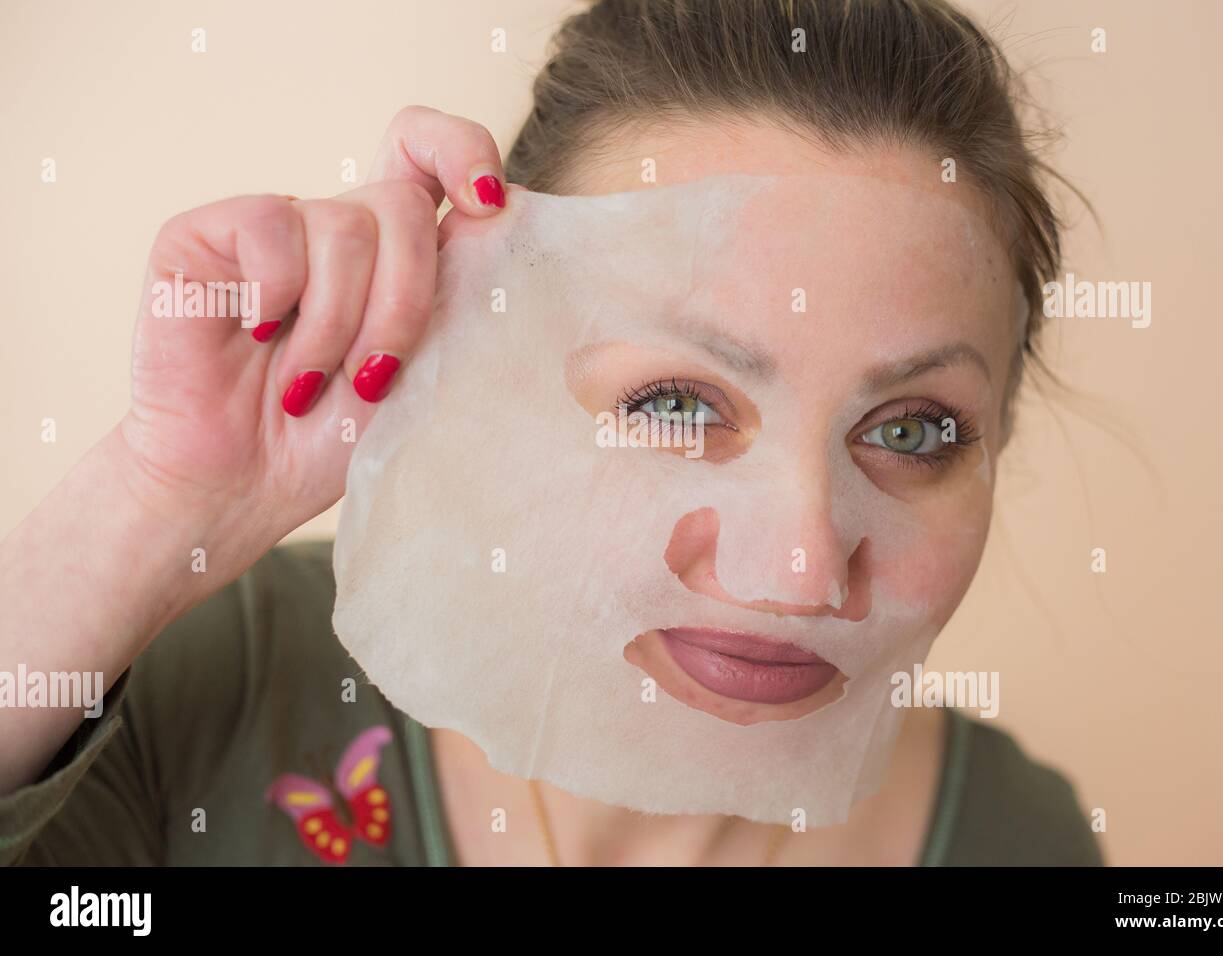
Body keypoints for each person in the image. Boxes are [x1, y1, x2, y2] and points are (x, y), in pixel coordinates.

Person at [0, 0, 1102, 866]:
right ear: (493, 367)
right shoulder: (225, 686)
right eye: (675, 402)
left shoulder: (1018, 836)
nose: (799, 571)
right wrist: (156, 500)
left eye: (912, 429)